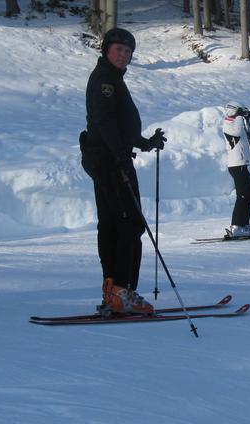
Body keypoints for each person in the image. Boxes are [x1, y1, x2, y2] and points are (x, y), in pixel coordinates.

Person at [79, 28, 166, 315]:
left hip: (107, 160)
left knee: (114, 225)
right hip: (111, 162)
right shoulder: (105, 80)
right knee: (128, 225)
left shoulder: (111, 79)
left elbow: (116, 125)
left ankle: (114, 291)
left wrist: (144, 143)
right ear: (106, 50)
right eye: (119, 49)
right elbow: (104, 123)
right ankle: (121, 292)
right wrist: (119, 158)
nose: (124, 55)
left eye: (128, 52)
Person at [223, 102, 250, 239]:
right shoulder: (228, 124)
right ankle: (236, 227)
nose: (241, 113)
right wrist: (240, 116)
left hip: (242, 164)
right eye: (239, 111)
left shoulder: (238, 123)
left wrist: (249, 118)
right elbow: (237, 132)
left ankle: (244, 225)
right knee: (243, 196)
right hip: (236, 165)